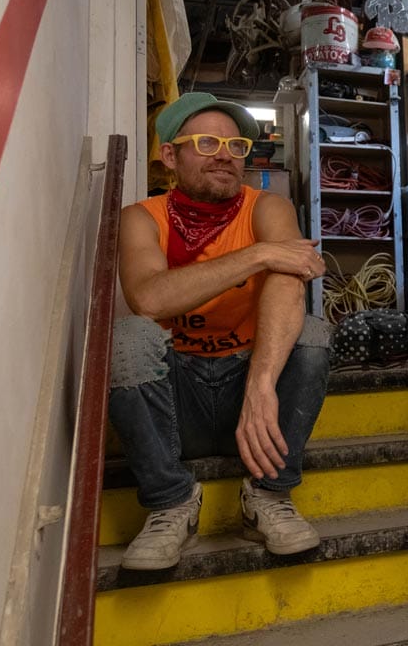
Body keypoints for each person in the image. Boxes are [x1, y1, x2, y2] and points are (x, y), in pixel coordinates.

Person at [109, 92, 331, 570]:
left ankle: (268, 496)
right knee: (127, 338)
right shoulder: (140, 218)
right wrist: (258, 254)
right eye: (206, 142)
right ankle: (171, 502)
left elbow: (289, 285)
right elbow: (148, 299)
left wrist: (261, 384)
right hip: (178, 400)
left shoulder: (268, 207)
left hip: (249, 403)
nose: (225, 155)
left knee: (312, 332)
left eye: (236, 145)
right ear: (170, 155)